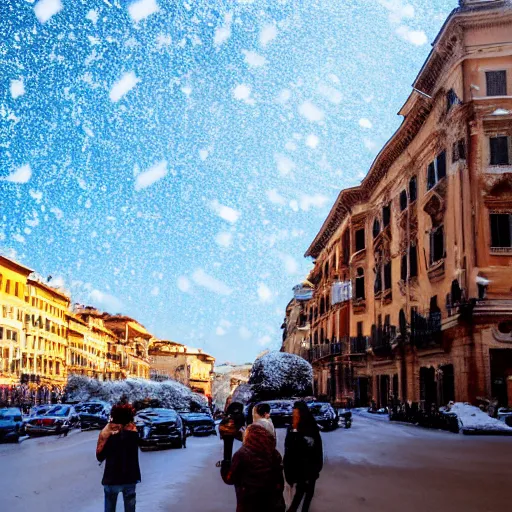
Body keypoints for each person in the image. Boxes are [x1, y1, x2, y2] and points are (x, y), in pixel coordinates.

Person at [221, 423, 285, 512]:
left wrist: (225, 464)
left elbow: (229, 478)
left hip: (249, 504)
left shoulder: (241, 455)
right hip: (273, 503)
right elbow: (280, 482)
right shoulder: (274, 453)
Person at [96, 403, 141, 512]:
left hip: (111, 478)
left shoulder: (108, 434)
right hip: (130, 478)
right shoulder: (134, 434)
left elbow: (100, 456)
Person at [283, 401, 323, 512]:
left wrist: (316, 467)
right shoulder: (292, 429)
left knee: (307, 494)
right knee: (299, 494)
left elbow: (317, 450)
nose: (294, 418)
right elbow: (289, 450)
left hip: (310, 469)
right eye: (293, 415)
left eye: (296, 415)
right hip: (299, 469)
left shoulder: (310, 429)